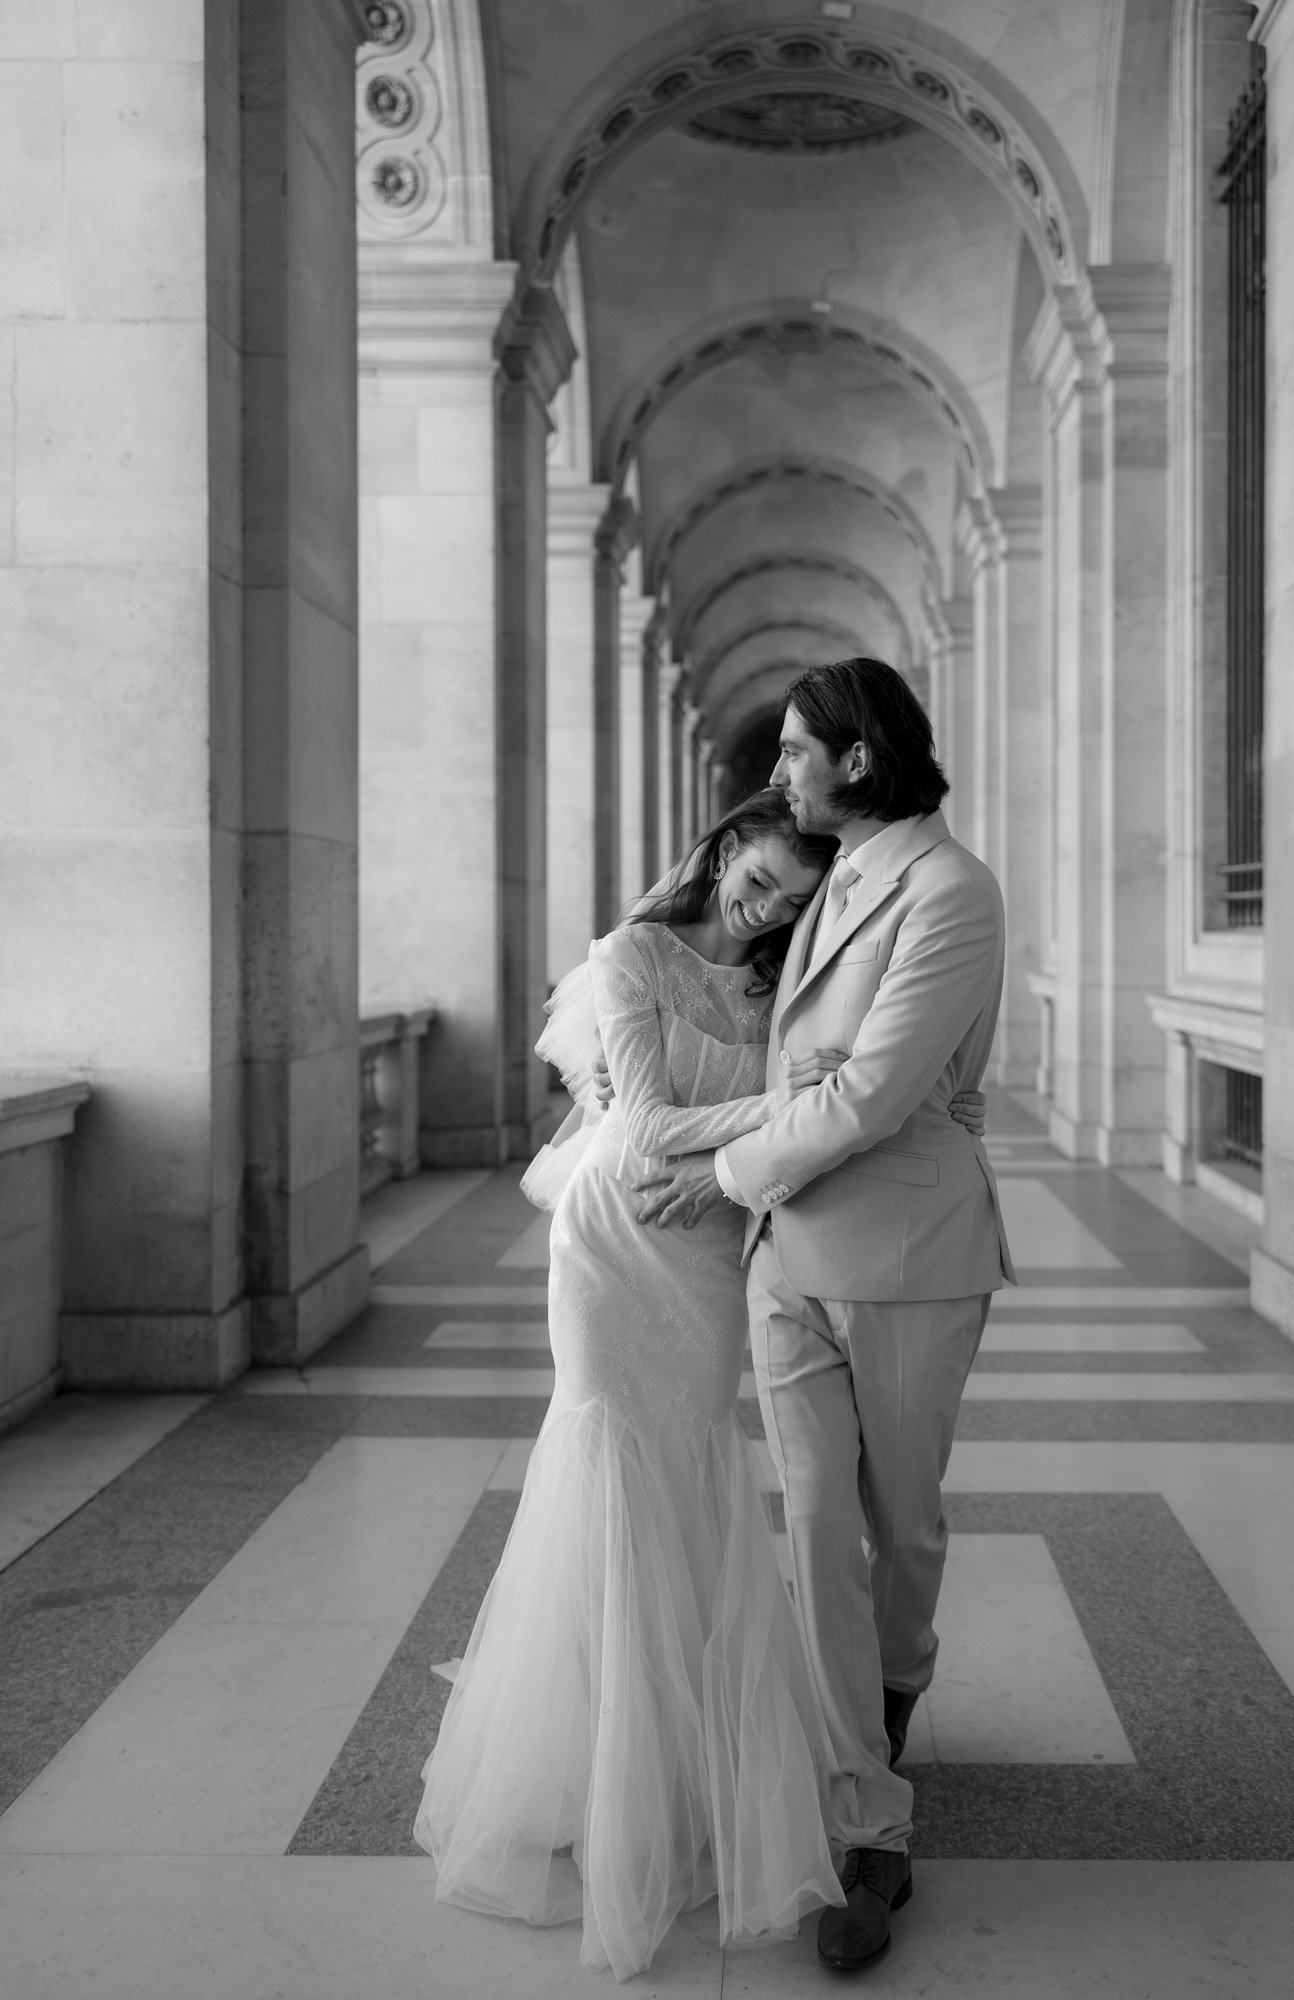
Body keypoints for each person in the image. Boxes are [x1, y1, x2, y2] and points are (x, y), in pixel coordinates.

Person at [414, 785, 984, 1981]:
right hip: (615, 1247)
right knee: (609, 1457)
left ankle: (684, 1739)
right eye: (755, 877)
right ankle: (600, 1753)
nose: (763, 904)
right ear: (723, 845)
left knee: (694, 1469)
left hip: (715, 1252)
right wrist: (792, 1105)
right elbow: (632, 1138)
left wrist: (784, 1117)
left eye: (787, 896)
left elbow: (830, 1099)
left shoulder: (779, 988)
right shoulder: (631, 955)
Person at [637, 659, 1014, 1975]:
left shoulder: (951, 890)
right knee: (820, 1531)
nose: (779, 773)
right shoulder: (830, 875)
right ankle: (867, 1822)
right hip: (785, 1257)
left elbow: (872, 1093)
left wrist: (720, 1169)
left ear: (861, 757)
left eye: (800, 751)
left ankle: (892, 1688)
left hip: (907, 1250)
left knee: (899, 1525)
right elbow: (803, 1064)